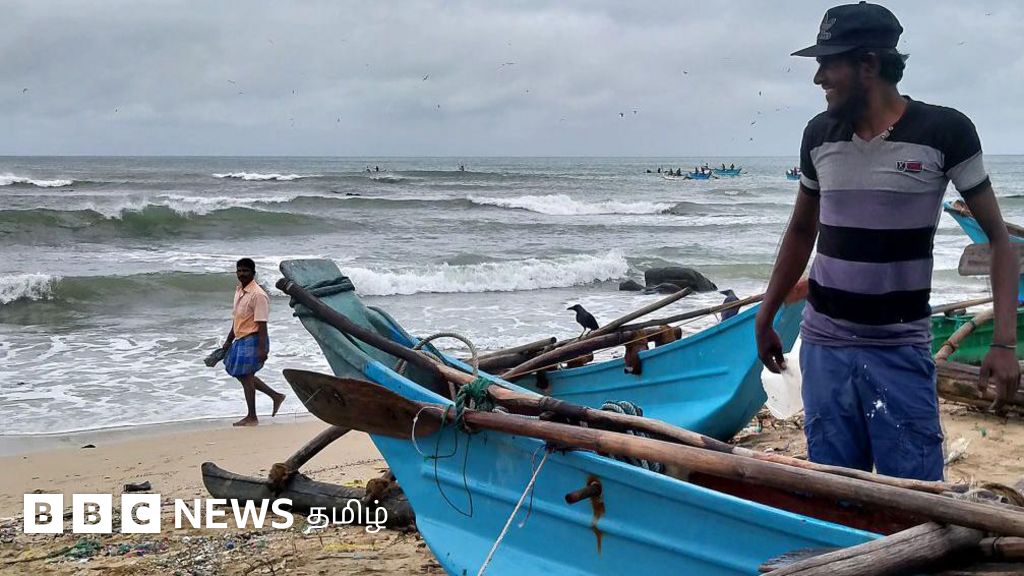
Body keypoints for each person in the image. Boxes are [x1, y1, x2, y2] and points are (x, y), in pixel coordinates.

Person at [755, 2, 1019, 481]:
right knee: (837, 495)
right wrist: (766, 313)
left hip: (898, 349)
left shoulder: (944, 132)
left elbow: (1001, 243)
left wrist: (1004, 342)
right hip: (824, 348)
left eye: (827, 63)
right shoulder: (819, 135)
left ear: (869, 64)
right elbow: (800, 230)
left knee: (914, 497)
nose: (819, 78)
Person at [221, 258, 286, 426]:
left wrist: (262, 349)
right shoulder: (239, 291)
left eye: (246, 271)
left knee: (247, 376)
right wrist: (229, 340)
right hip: (240, 338)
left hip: (254, 339)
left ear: (253, 273)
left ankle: (252, 416)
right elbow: (237, 319)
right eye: (239, 270)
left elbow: (262, 324)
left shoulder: (258, 295)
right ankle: (275, 396)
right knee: (242, 375)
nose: (242, 274)